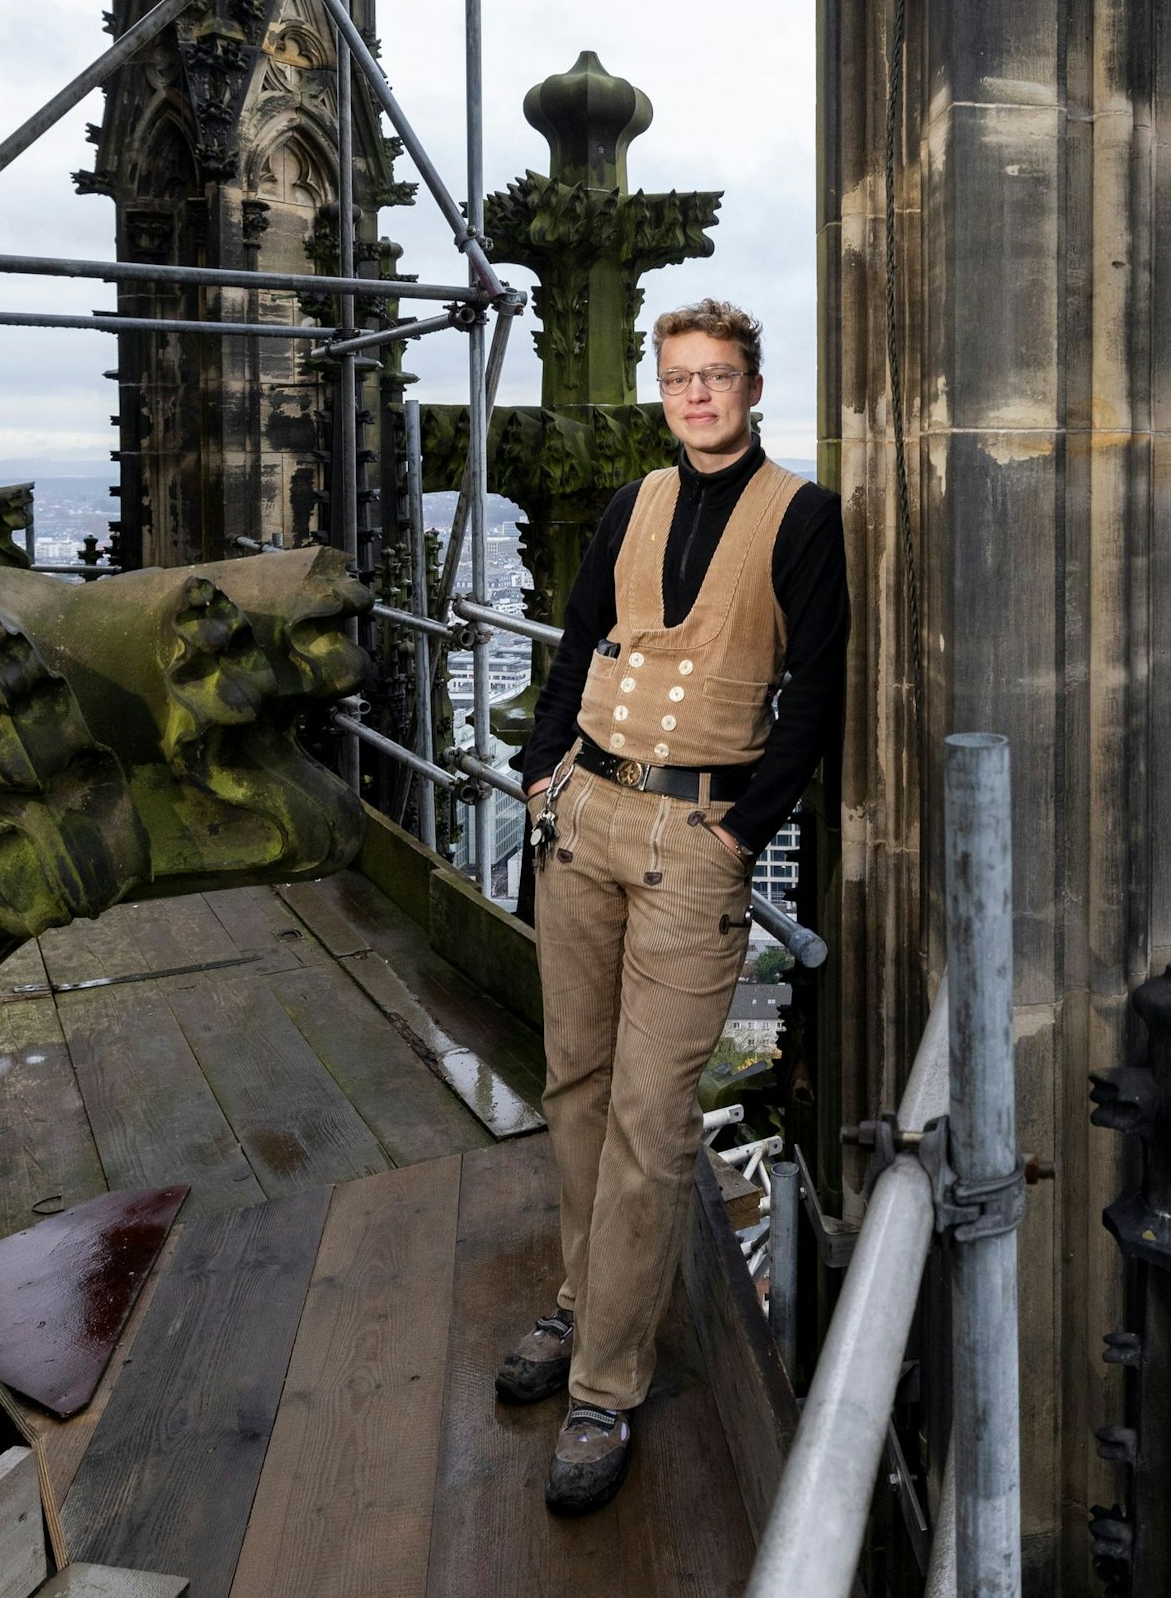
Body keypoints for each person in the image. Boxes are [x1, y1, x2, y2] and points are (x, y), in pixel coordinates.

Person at [495, 298, 846, 1516]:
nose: (697, 395)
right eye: (679, 377)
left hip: (694, 839)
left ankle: (603, 1384)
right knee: (575, 1084)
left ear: (752, 388)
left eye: (718, 377)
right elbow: (577, 636)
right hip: (584, 817)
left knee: (650, 1115)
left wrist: (742, 830)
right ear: (663, 388)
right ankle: (583, 1300)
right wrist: (542, 767)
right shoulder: (633, 501)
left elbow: (813, 694)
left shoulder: (800, 516)